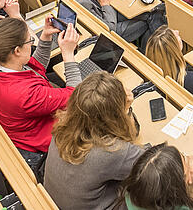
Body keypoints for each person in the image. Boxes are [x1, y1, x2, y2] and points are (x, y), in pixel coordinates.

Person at [0, 17, 81, 178]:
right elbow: (75, 96)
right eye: (29, 41)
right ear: (16, 50)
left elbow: (35, 67)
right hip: (42, 145)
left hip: (28, 129)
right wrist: (68, 54)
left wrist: (45, 37)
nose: (31, 43)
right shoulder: (24, 94)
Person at [45, 71, 146, 209]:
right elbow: (149, 164)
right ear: (114, 114)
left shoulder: (62, 127)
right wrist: (127, 110)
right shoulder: (113, 151)